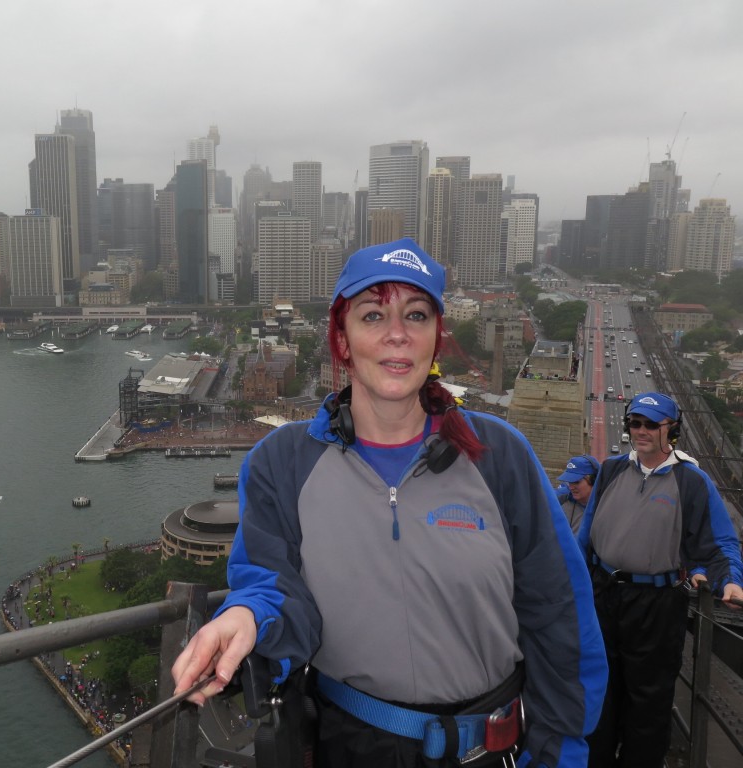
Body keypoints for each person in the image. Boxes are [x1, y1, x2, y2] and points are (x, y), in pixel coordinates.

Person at [172, 238, 607, 768]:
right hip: (352, 747)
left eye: (416, 314)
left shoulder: (501, 457)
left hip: (495, 750)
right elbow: (274, 587)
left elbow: (559, 614)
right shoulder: (281, 464)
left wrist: (564, 752)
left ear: (435, 338)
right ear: (342, 338)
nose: (397, 333)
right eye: (373, 314)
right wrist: (245, 615)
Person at [577, 391, 743, 768]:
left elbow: (720, 542)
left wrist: (730, 580)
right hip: (605, 594)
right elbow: (586, 535)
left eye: (652, 424)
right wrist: (572, 577)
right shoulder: (612, 470)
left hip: (656, 605)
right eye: (635, 423)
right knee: (600, 691)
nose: (641, 431)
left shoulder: (692, 482)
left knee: (648, 702)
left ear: (672, 430)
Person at [555, 455, 600, 534]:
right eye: (569, 482)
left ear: (593, 480)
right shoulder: (561, 500)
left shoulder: (606, 506)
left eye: (576, 482)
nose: (571, 487)